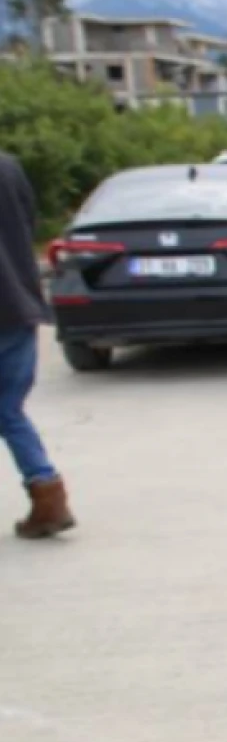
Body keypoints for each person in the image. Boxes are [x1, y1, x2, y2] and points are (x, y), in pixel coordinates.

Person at [1, 151, 74, 539]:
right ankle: (47, 494)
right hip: (17, 303)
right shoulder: (9, 166)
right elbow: (26, 226)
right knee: (9, 409)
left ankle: (48, 496)